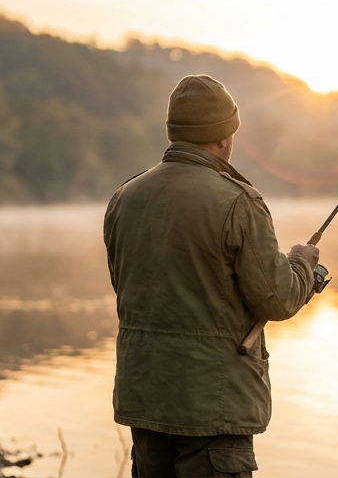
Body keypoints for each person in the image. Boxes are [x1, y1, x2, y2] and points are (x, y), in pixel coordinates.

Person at [104, 74, 322, 478]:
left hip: (146, 400)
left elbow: (128, 288)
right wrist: (303, 264)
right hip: (212, 409)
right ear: (224, 137)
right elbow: (278, 299)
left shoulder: (125, 198)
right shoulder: (238, 201)